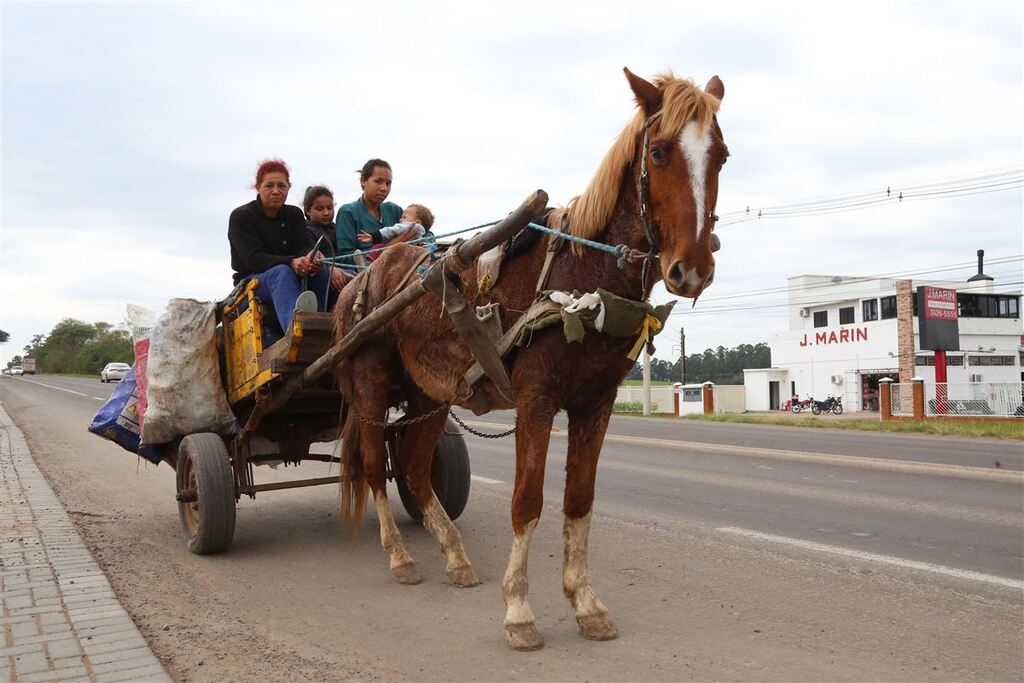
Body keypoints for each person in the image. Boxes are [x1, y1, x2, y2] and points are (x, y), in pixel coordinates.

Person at [228, 158, 330, 344]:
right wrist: (291, 261)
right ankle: (296, 336)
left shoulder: (294, 214)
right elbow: (254, 260)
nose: (276, 191)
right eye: (269, 186)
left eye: (281, 186)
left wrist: (310, 255)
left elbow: (303, 245)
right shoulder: (241, 217)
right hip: (250, 288)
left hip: (289, 275)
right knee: (281, 273)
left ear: (288, 188)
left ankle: (321, 329)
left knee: (320, 270)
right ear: (258, 187)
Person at [335, 159, 403, 270]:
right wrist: (393, 245)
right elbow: (344, 257)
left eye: (388, 183)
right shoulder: (348, 212)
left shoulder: (395, 211)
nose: (384, 188)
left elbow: (423, 231)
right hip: (362, 276)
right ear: (363, 181)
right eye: (378, 181)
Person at [362, 204, 435, 262]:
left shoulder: (410, 226)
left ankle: (367, 263)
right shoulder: (422, 232)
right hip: (409, 255)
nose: (400, 219)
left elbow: (391, 230)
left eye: (404, 217)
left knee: (379, 247)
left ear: (417, 222)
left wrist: (374, 236)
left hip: (399, 251)